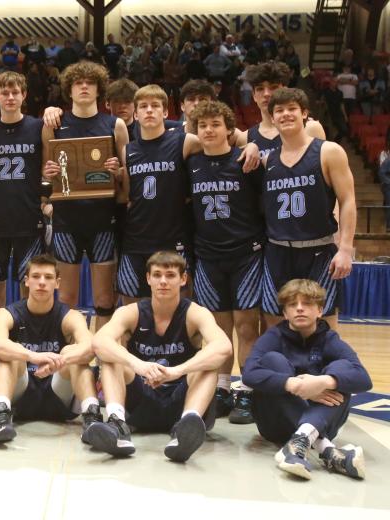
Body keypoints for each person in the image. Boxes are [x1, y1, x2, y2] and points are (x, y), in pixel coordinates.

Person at [116, 84, 259, 303]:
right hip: (136, 238)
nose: (149, 110)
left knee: (181, 307)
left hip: (175, 237)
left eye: (155, 106)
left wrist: (251, 146)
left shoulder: (185, 142)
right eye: (143, 107)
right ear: (135, 114)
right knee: (130, 306)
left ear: (166, 112)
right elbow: (126, 196)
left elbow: (221, 142)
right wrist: (114, 178)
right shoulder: (129, 150)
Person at [89, 251, 231, 461]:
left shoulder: (195, 313)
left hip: (180, 399)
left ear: (183, 279)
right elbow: (99, 342)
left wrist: (177, 371)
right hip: (141, 399)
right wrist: (138, 365)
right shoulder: (131, 312)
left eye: (170, 275)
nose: (163, 281)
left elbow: (224, 347)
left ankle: (186, 427)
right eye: (157, 275)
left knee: (209, 362)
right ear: (148, 279)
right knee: (111, 358)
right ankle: (117, 425)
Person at [243, 279, 371, 480]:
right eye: (293, 305)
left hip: (321, 420)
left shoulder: (330, 339)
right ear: (285, 314)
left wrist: (324, 382)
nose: (300, 309)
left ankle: (299, 442)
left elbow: (363, 379)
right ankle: (325, 447)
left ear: (320, 310)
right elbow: (249, 373)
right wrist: (293, 384)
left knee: (342, 369)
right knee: (272, 361)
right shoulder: (273, 337)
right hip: (275, 424)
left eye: (307, 304)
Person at [185, 100, 265, 423]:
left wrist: (255, 146)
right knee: (217, 331)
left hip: (245, 254)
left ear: (229, 130)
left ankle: (246, 390)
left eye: (215, 124)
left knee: (247, 326)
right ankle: (221, 387)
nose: (209, 130)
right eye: (203, 125)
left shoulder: (245, 160)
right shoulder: (190, 163)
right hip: (208, 255)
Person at [42, 61, 129, 331]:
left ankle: (102, 359)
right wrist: (49, 171)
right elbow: (46, 175)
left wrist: (117, 171)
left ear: (98, 89)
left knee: (104, 299)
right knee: (67, 298)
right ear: (69, 89)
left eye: (89, 83)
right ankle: (71, 363)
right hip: (67, 220)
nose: (83, 87)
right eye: (78, 83)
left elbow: (128, 176)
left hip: (103, 219)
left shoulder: (115, 125)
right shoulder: (55, 123)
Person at [260, 88, 356, 329]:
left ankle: (325, 368)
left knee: (324, 322)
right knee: (275, 322)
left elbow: (348, 201)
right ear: (272, 118)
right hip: (278, 251)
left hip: (318, 250)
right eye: (279, 110)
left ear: (304, 113)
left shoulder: (328, 151)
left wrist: (345, 248)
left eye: (292, 109)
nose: (285, 115)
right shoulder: (267, 160)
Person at [0, 254, 102, 444]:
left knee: (74, 355)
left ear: (57, 283)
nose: (41, 282)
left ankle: (92, 419)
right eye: (36, 276)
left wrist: (59, 361)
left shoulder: (70, 316)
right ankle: (1, 416)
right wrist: (33, 356)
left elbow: (91, 348)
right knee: (11, 353)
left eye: (48, 277)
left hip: (58, 391)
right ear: (26, 281)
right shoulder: (7, 313)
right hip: (21, 391)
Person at [0, 71, 46, 314]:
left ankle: (27, 336)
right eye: (4, 92)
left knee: (30, 286)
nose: (10, 97)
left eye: (15, 92)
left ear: (24, 95)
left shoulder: (38, 127)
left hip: (29, 218)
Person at [236, 62, 326, 159]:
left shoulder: (311, 128)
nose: (266, 94)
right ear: (254, 95)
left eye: (273, 87)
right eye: (260, 89)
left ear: (285, 90)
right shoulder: (244, 138)